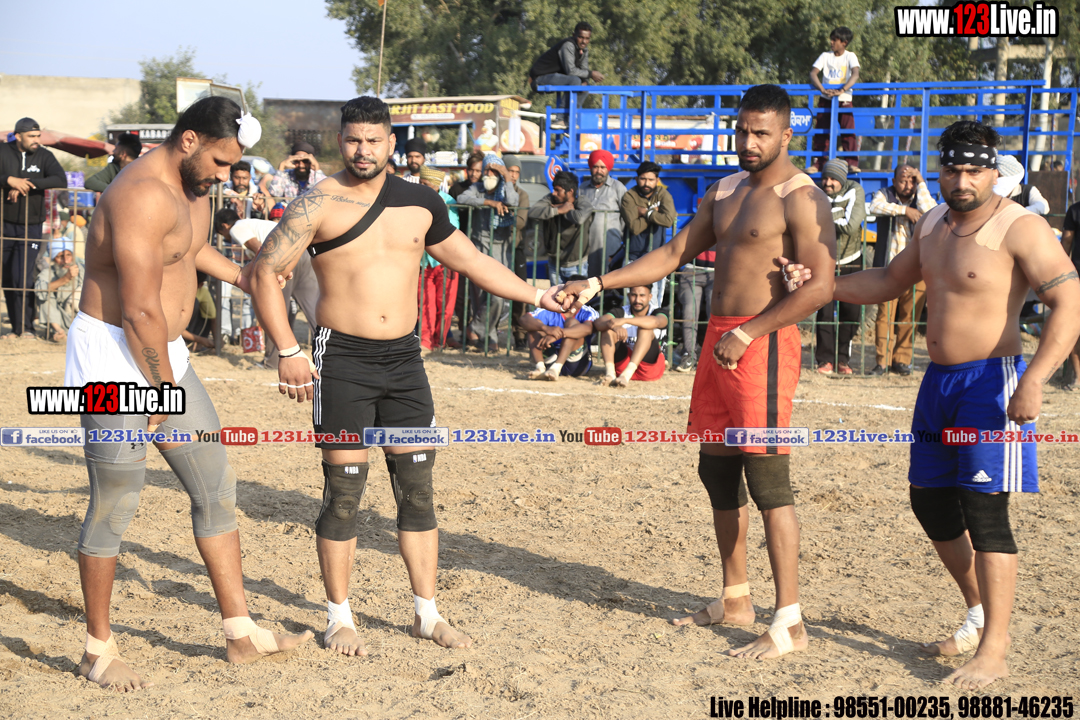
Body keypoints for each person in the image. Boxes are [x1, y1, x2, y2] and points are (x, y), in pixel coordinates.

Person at [247, 95, 563, 657]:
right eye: (353, 140)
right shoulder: (317, 202)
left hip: (405, 361)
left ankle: (426, 614)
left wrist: (539, 295)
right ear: (340, 141)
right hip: (341, 359)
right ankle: (339, 618)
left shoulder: (421, 202)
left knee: (417, 491)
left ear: (392, 143)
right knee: (344, 493)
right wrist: (288, 349)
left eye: (373, 140)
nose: (362, 150)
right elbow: (264, 273)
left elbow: (472, 261)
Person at [784, 120, 1080, 689]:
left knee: (985, 512)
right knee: (931, 503)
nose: (962, 181)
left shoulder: (1021, 226)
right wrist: (823, 286)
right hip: (937, 384)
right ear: (939, 170)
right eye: (953, 169)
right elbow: (888, 281)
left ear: (993, 172)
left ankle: (995, 649)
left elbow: (1069, 302)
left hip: (992, 383)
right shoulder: (933, 222)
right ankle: (978, 614)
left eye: (974, 171)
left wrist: (1035, 379)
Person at [557, 85, 836, 659]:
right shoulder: (724, 190)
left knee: (768, 481)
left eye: (761, 133)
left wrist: (749, 332)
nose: (748, 142)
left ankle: (790, 622)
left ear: (787, 135)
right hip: (719, 340)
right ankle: (736, 599)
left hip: (762, 342)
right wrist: (597, 283)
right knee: (717, 471)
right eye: (742, 131)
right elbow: (672, 254)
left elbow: (821, 287)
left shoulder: (802, 197)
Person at [63, 96, 311, 691]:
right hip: (114, 357)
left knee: (215, 484)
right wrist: (162, 394)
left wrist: (243, 275)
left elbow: (189, 247)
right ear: (190, 140)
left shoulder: (195, 186)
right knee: (117, 498)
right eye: (221, 162)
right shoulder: (141, 193)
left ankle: (240, 633)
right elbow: (139, 309)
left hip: (163, 351)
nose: (225, 175)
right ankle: (97, 650)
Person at [1, 117, 68, 338]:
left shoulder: (44, 156)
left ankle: (27, 328)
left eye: (38, 136)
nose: (36, 140)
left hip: (31, 226)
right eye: (31, 136)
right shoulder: (3, 151)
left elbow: (60, 179)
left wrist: (28, 183)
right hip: (4, 224)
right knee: (8, 278)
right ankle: (16, 329)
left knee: (23, 276)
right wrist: (9, 180)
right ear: (18, 136)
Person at [869, 164, 937, 375]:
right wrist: (905, 210)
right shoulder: (885, 194)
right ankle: (882, 362)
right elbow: (874, 207)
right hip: (889, 269)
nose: (907, 185)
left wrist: (922, 182)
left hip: (917, 269)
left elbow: (931, 211)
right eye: (902, 180)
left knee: (910, 316)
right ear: (894, 181)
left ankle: (902, 361)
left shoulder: (921, 197)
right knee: (884, 316)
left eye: (911, 180)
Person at [457, 153, 519, 352]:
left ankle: (474, 329)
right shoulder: (477, 188)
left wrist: (506, 176)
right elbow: (462, 198)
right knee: (480, 296)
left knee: (498, 296)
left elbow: (513, 201)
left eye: (494, 171)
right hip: (478, 248)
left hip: (500, 250)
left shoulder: (505, 189)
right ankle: (489, 339)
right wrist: (489, 203)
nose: (489, 174)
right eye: (487, 170)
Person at [814, 159, 865, 374]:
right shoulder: (815, 192)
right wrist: (839, 212)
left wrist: (824, 217)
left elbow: (851, 226)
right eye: (825, 178)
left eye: (833, 179)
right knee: (824, 312)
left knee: (850, 313)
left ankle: (843, 359)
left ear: (842, 180)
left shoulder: (855, 190)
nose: (828, 183)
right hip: (823, 260)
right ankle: (825, 360)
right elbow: (809, 221)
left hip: (851, 258)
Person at [617, 161, 677, 304]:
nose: (646, 183)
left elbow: (668, 220)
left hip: (657, 258)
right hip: (633, 256)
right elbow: (635, 227)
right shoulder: (629, 196)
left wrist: (645, 212)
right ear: (637, 179)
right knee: (631, 302)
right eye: (643, 179)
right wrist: (655, 214)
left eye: (650, 180)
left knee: (654, 302)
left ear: (657, 180)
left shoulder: (663, 194)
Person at [417, 166, 460, 350]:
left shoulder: (448, 202)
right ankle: (425, 342)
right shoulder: (414, 200)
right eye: (420, 183)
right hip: (423, 261)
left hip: (445, 261)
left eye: (426, 185)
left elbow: (453, 228)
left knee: (445, 306)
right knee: (424, 304)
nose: (422, 187)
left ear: (436, 186)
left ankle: (439, 341)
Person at [594, 285, 669, 386]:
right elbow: (598, 323)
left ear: (650, 297)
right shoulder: (620, 311)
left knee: (645, 328)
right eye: (634, 295)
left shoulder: (658, 312)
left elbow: (657, 322)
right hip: (622, 365)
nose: (637, 300)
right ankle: (610, 374)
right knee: (607, 329)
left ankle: (627, 374)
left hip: (648, 368)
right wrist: (613, 326)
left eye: (642, 295)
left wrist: (625, 321)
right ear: (629, 296)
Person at [808, 26, 860, 171]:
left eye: (834, 40)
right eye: (831, 39)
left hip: (844, 99)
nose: (831, 42)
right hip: (826, 99)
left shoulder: (850, 56)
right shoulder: (825, 56)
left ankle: (852, 164)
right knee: (821, 132)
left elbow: (855, 74)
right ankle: (818, 164)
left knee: (848, 132)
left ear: (844, 42)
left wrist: (842, 90)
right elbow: (813, 73)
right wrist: (822, 89)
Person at [530, 170, 594, 284]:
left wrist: (567, 210)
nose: (554, 193)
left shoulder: (582, 201)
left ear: (570, 191)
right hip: (554, 263)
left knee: (576, 295)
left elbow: (579, 218)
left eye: (557, 190)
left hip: (576, 264)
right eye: (553, 189)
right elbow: (532, 212)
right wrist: (558, 210)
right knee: (556, 295)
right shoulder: (551, 199)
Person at [519, 292, 598, 381]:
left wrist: (558, 335)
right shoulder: (549, 310)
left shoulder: (588, 311)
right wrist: (546, 328)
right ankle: (540, 367)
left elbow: (589, 328)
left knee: (572, 324)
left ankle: (556, 368)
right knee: (534, 326)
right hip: (551, 357)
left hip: (576, 363)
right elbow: (524, 319)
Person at [528, 21, 604, 110]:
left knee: (586, 86)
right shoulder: (568, 45)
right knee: (574, 81)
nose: (584, 41)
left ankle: (572, 114)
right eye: (581, 37)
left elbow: (584, 69)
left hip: (556, 77)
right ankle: (562, 116)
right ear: (574, 35)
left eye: (587, 38)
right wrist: (591, 74)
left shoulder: (584, 49)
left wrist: (585, 81)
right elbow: (571, 71)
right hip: (539, 79)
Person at [579, 149, 627, 278]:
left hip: (610, 245)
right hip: (586, 247)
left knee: (609, 278)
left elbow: (626, 217)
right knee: (589, 280)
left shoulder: (618, 188)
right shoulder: (582, 188)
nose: (599, 171)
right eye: (595, 167)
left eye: (602, 167)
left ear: (608, 169)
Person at [503, 156, 533, 350]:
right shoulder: (493, 191)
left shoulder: (522, 194)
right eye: (510, 171)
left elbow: (520, 222)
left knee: (520, 293)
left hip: (515, 247)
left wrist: (502, 213)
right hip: (496, 248)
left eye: (516, 172)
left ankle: (520, 334)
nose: (513, 175)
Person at [35, 238, 83, 341]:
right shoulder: (47, 273)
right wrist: (66, 278)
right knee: (43, 294)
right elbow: (40, 291)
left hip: (81, 318)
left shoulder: (82, 269)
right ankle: (59, 332)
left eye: (68, 255)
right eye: (60, 256)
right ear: (53, 258)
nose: (66, 261)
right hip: (59, 319)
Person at [1063, 198, 1080, 390]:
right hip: (1077, 278)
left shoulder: (1075, 209)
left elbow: (1066, 242)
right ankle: (1077, 376)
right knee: (1074, 328)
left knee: (1075, 328)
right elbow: (1066, 242)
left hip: (1076, 278)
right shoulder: (1075, 210)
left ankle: (1077, 377)